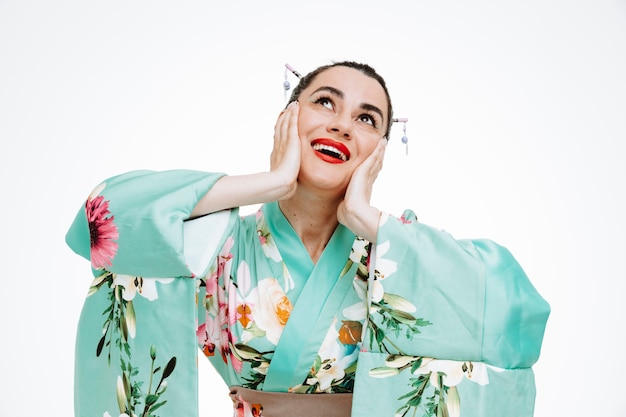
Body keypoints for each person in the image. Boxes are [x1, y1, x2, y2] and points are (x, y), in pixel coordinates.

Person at [66, 61, 550, 417]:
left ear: (379, 149)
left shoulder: (396, 249)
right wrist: (271, 181)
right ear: (289, 118)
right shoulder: (217, 242)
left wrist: (367, 218)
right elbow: (104, 219)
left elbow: (511, 316)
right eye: (325, 102)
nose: (342, 124)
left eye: (367, 119)